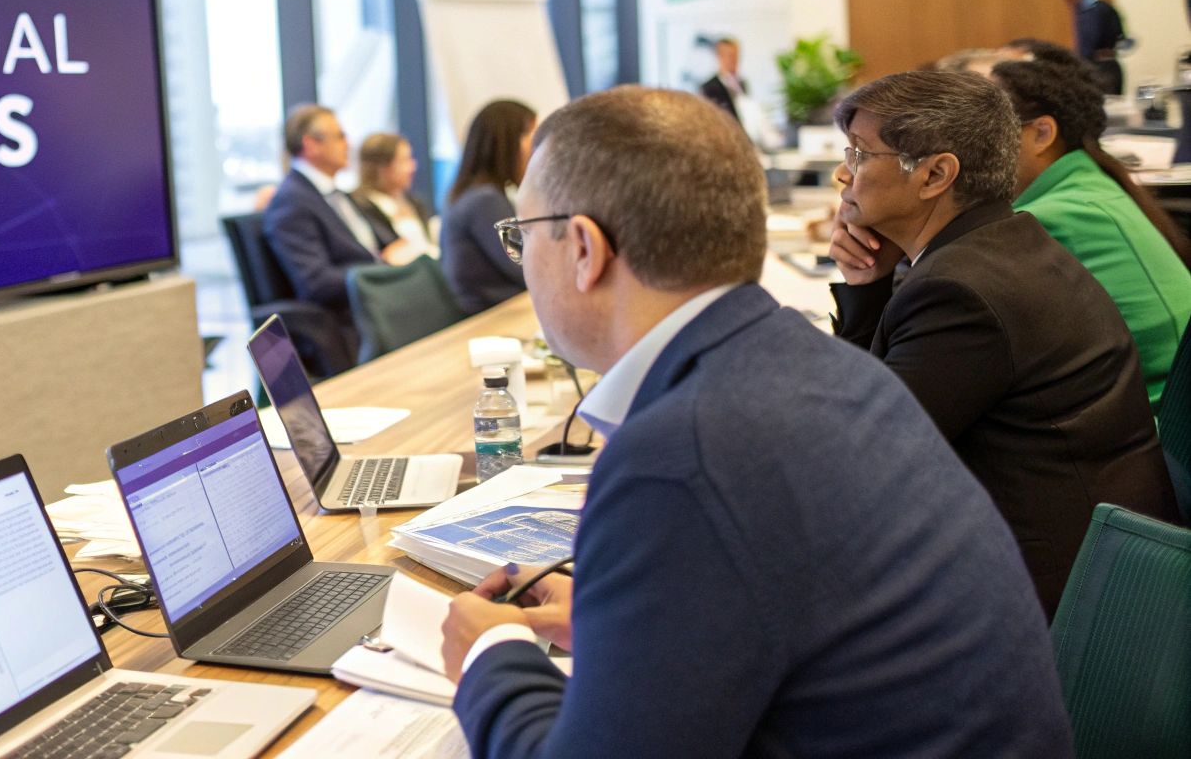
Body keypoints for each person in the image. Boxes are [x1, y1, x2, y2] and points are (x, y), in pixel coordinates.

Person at [441, 87, 1069, 758]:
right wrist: (634, 626)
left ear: (586, 250)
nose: (524, 261)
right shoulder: (813, 365)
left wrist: (493, 655)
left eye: (525, 235)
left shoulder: (682, 453)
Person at [828, 69, 1179, 615]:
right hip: (1089, 560)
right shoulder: (1004, 245)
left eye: (858, 154)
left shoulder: (961, 293)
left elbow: (856, 455)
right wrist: (867, 288)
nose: (842, 175)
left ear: (936, 174)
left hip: (1055, 596)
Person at [991, 58, 1191, 412]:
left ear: (1041, 134)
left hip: (1157, 436)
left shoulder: (1049, 218)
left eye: (984, 129)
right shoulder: (1087, 184)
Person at [264, 106, 412, 342]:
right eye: (340, 136)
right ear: (311, 145)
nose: (348, 145)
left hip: (383, 301)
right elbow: (317, 283)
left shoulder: (338, 194)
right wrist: (383, 268)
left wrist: (400, 252)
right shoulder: (291, 203)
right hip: (355, 316)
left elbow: (382, 243)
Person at [441, 100, 534, 314]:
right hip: (489, 317)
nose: (536, 147)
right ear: (510, 142)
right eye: (532, 136)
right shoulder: (484, 200)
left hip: (497, 311)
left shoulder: (479, 192)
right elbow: (526, 268)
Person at [352, 132, 438, 261]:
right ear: (382, 168)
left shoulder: (414, 202)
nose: (413, 167)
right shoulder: (361, 207)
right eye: (404, 160)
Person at [699, 36, 777, 147]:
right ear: (719, 56)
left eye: (736, 55)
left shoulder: (742, 83)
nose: (734, 60)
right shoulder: (709, 87)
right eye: (729, 55)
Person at [1058, 0, 1127, 95]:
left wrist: (1076, 64)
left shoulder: (1091, 10)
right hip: (1106, 66)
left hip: (1099, 69)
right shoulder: (1101, 6)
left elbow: (1088, 42)